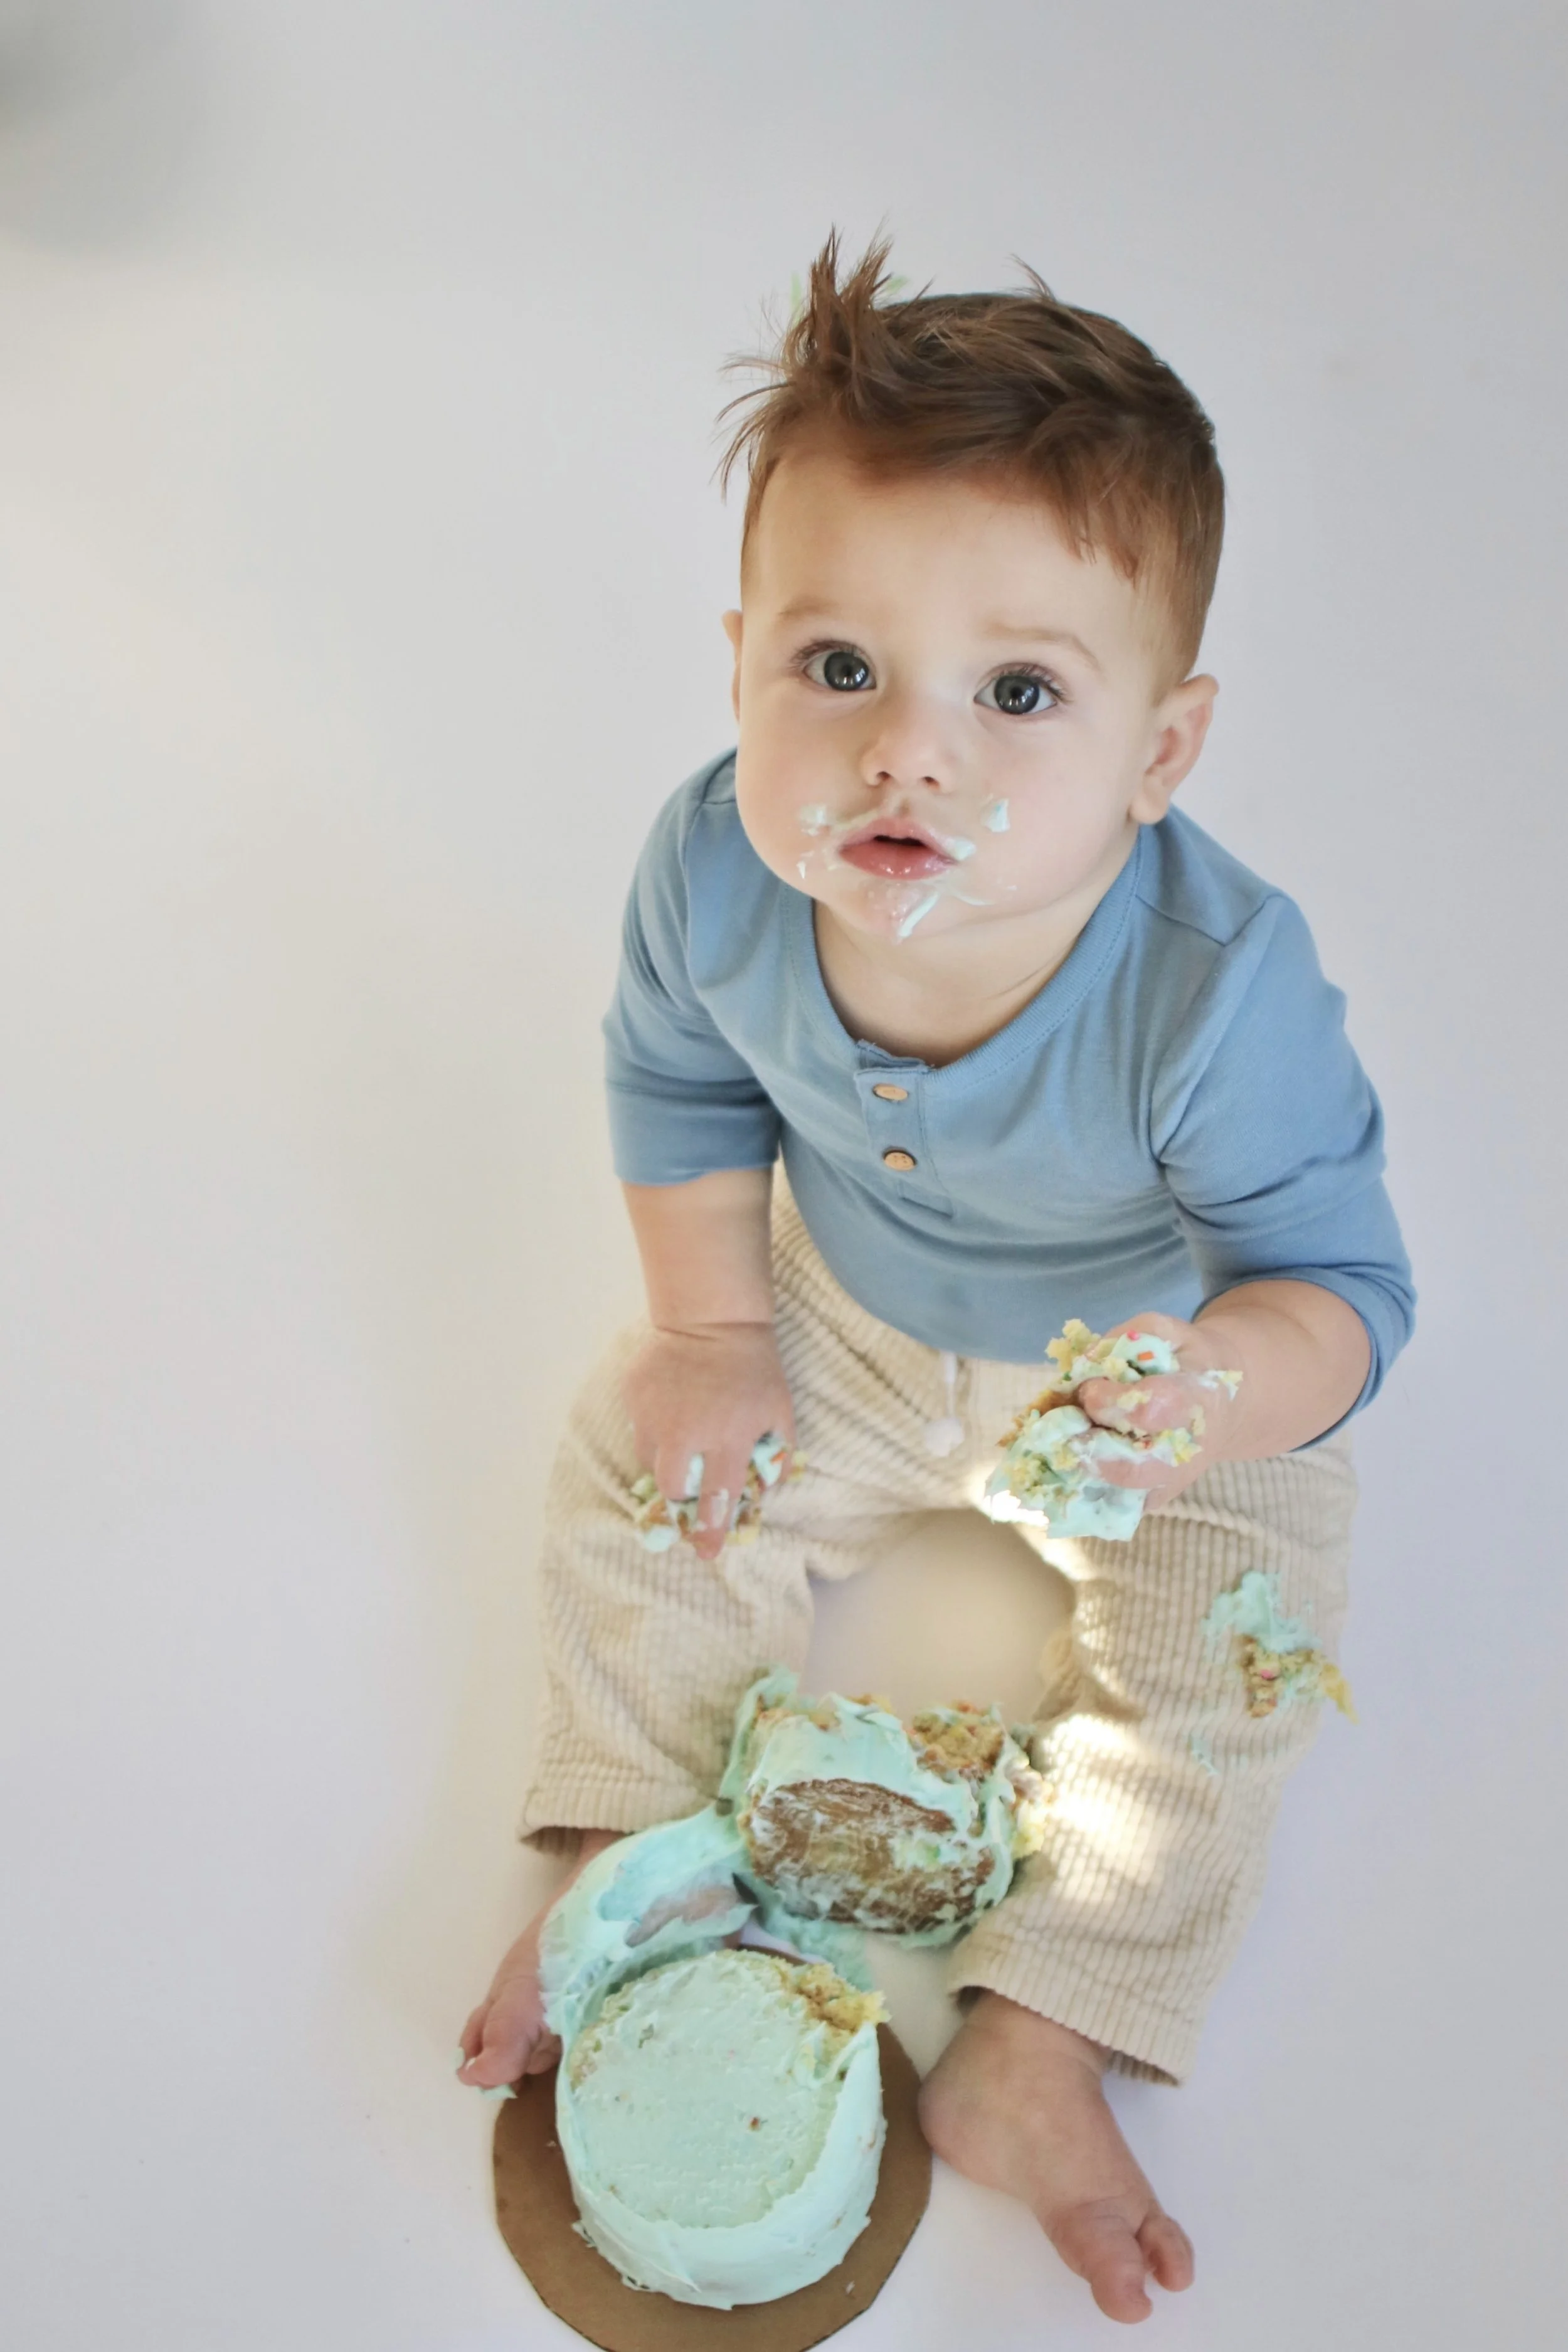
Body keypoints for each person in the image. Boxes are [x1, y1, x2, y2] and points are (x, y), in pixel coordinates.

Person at [457, 232, 1414, 2324]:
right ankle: (630, 1865)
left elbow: (1337, 1285)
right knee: (639, 1473)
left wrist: (1210, 1395)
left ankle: (1043, 2025)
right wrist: (715, 1330)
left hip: (1125, 1384)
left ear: (1160, 753)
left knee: (1233, 1657)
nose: (909, 754)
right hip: (853, 1318)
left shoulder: (1208, 995)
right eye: (837, 670)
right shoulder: (713, 865)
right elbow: (675, 1073)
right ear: (736, 664)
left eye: (1017, 693)